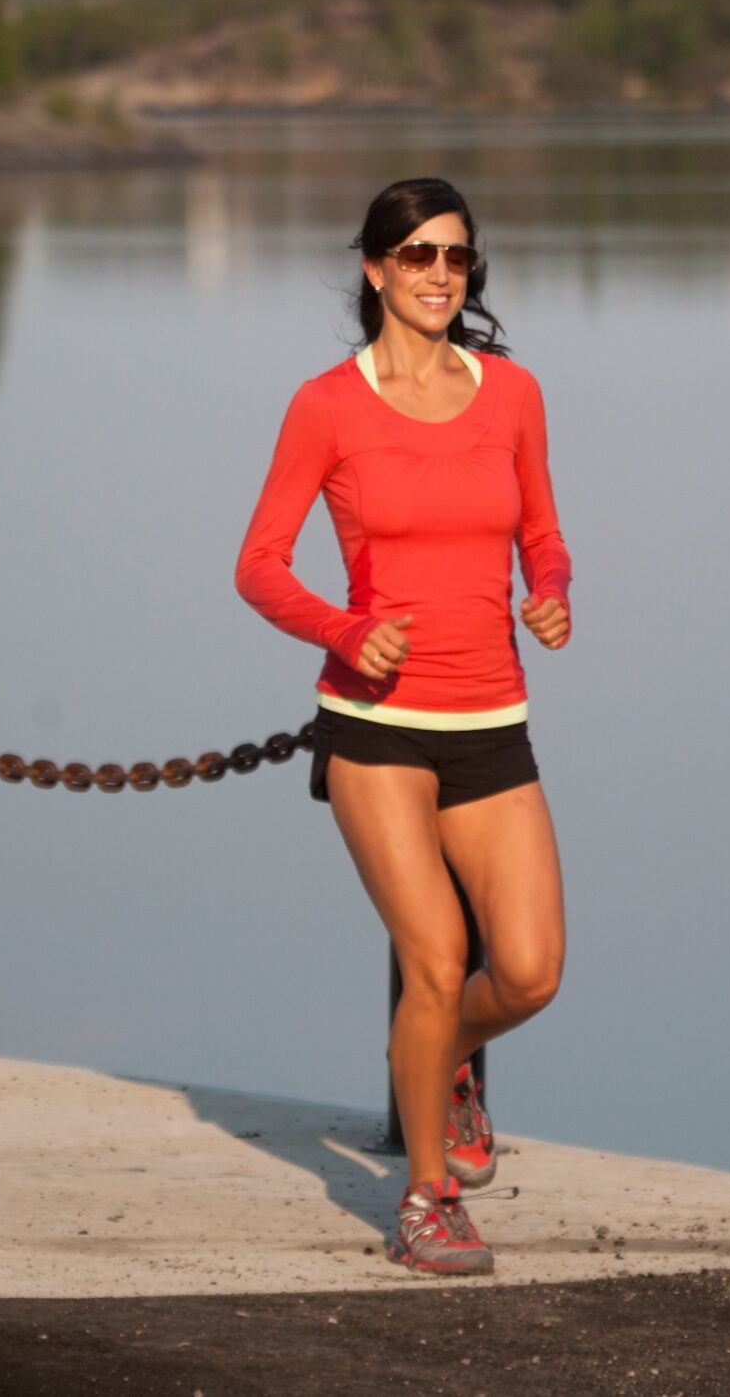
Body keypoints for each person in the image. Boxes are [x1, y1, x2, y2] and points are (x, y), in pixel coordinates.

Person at [235, 177, 573, 1276]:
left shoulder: (512, 392)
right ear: (375, 268)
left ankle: (450, 1063)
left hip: (490, 716)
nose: (439, 275)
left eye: (456, 258)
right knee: (433, 960)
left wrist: (552, 592)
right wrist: (344, 630)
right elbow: (258, 565)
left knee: (526, 972)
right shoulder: (325, 405)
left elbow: (542, 532)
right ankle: (426, 1197)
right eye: (418, 255)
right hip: (375, 727)